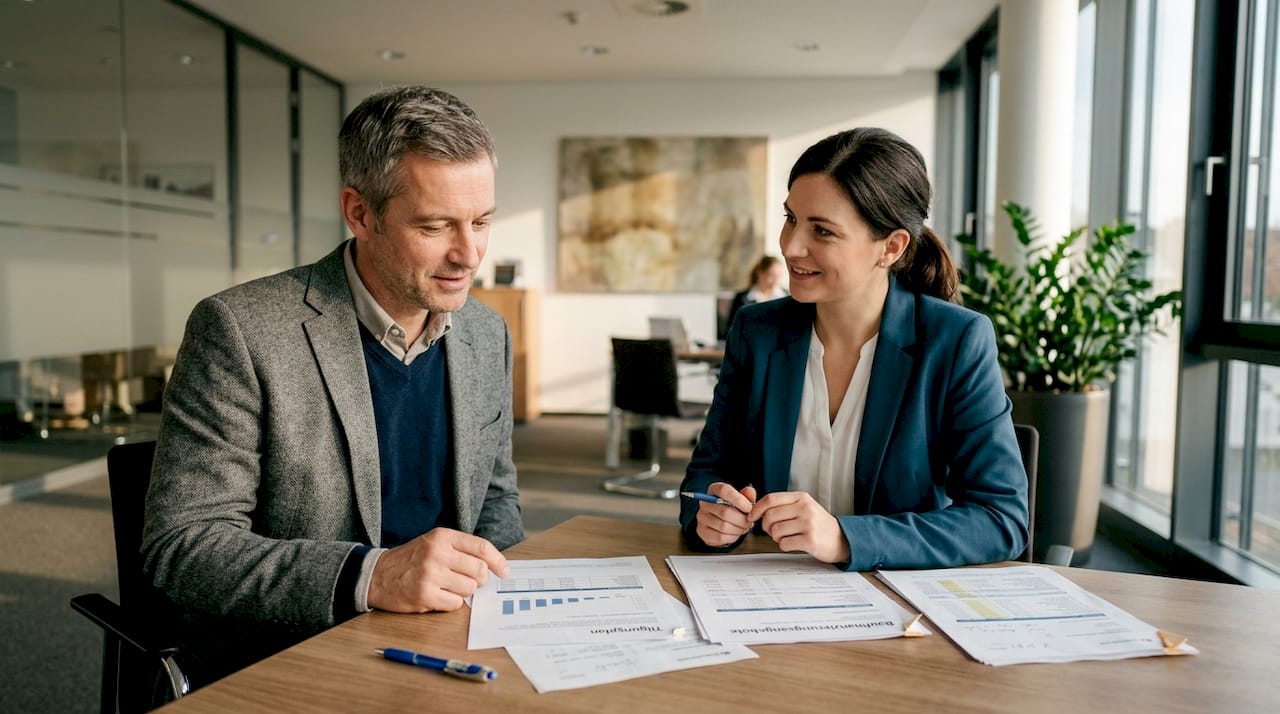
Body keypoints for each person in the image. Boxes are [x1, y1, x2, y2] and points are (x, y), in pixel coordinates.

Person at [141, 86, 523, 689]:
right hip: (293, 657)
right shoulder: (241, 330)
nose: (468, 254)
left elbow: (495, 502)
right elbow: (184, 547)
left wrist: (503, 606)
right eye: (435, 226)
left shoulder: (485, 332)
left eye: (481, 222)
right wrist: (370, 576)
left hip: (447, 648)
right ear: (360, 212)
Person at [680, 127, 1028, 570]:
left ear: (891, 247)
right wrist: (710, 515)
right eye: (790, 218)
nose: (790, 246)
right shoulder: (757, 330)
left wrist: (846, 538)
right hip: (768, 592)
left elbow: (1002, 519)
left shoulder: (956, 341)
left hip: (901, 612)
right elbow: (707, 473)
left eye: (822, 231)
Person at [725, 255, 788, 333]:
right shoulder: (742, 298)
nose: (775, 281)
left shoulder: (786, 297)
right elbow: (732, 329)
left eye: (778, 276)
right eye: (771, 275)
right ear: (760, 273)